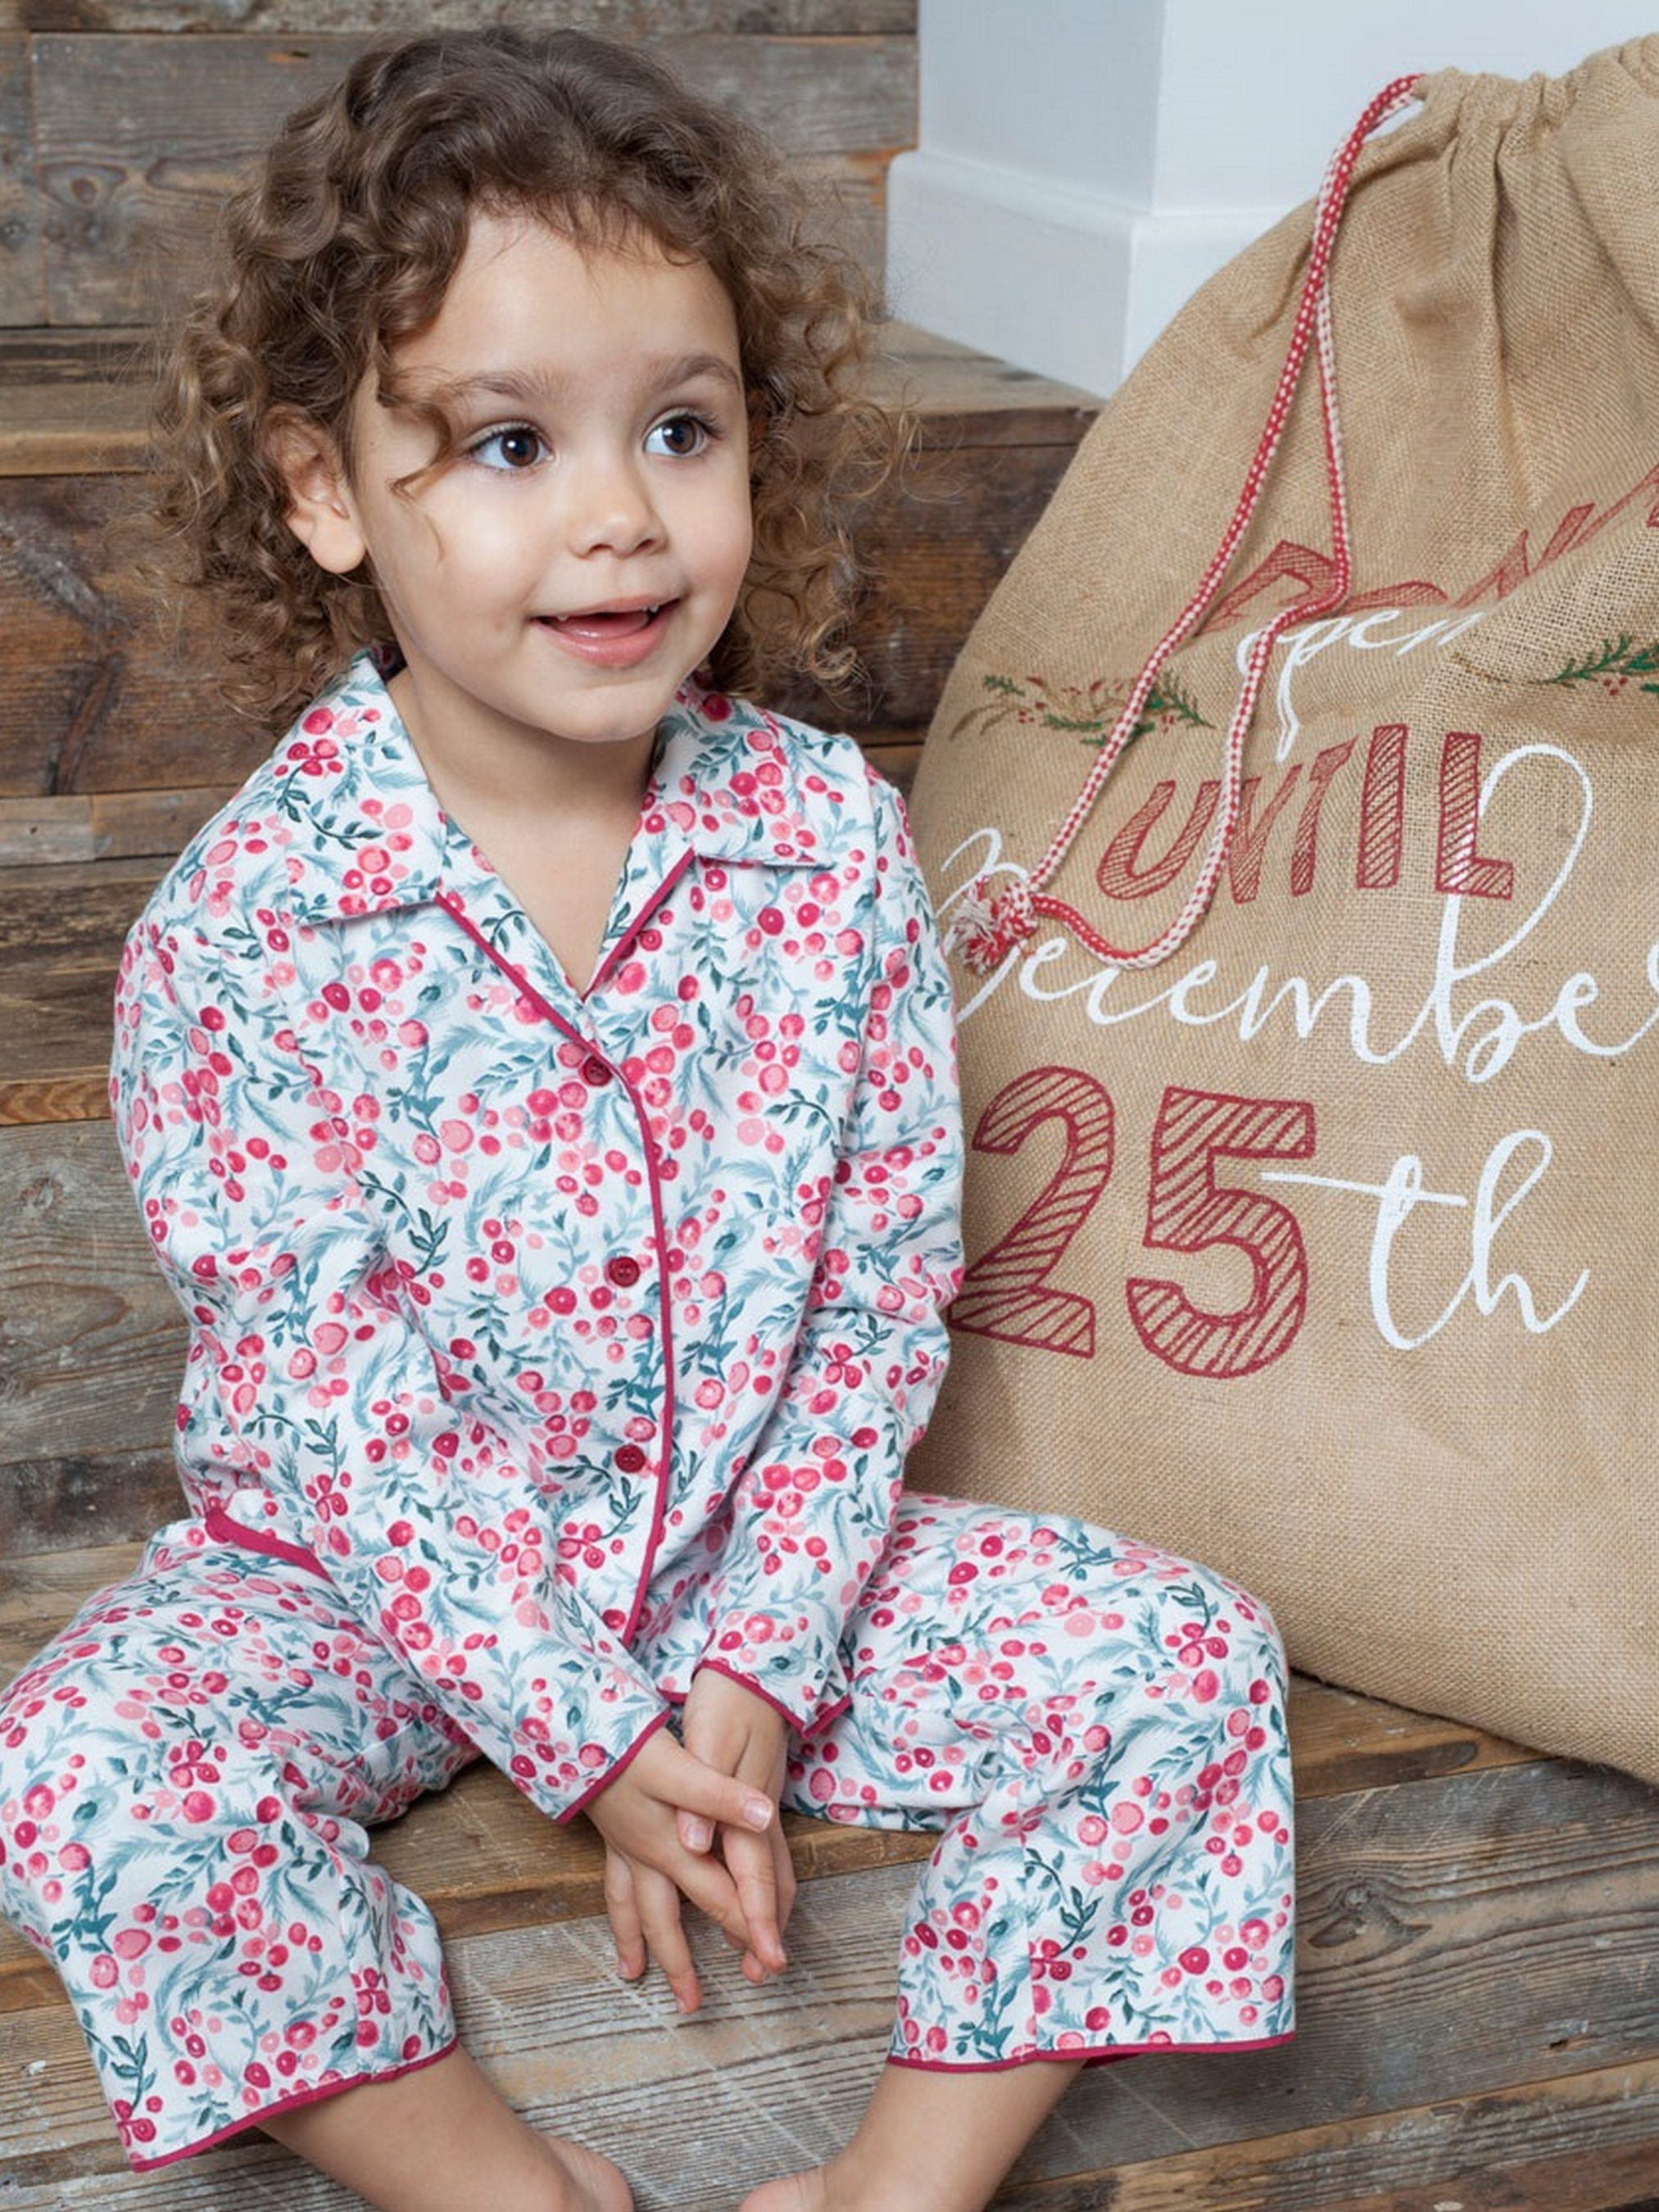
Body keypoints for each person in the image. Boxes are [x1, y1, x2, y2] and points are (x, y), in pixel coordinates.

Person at [0, 28, 1294, 2212]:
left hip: (750, 1562)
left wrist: (756, 1670)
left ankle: (889, 2187)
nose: (618, 514)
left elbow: (877, 1298)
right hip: (380, 1591)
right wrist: (584, 1736)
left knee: (1183, 1659)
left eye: (680, 430)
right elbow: (344, 1416)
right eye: (509, 443)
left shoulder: (825, 842)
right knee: (93, 1762)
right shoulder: (245, 934)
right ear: (325, 489)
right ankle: (506, 2189)